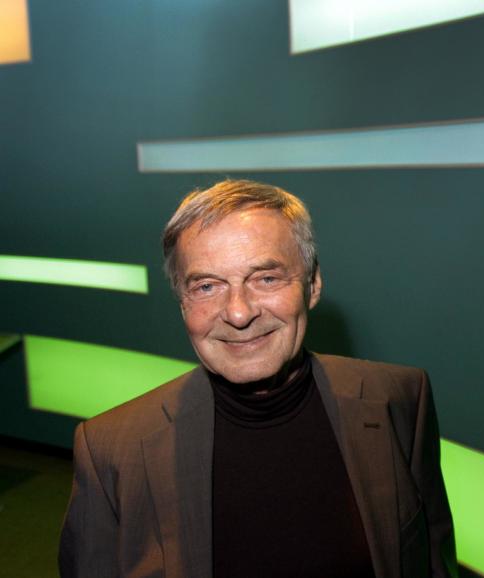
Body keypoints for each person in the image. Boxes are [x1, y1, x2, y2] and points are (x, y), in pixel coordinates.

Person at [59, 179, 457, 578]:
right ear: (183, 304)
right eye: (207, 286)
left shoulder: (398, 399)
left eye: (266, 278)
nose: (237, 312)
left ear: (313, 285)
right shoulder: (111, 450)